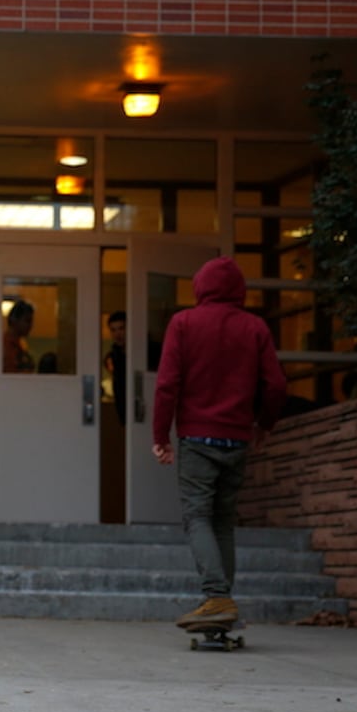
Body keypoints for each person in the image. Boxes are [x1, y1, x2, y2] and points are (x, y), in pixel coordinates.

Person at [151, 256, 287, 628]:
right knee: (223, 521)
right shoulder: (255, 327)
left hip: (197, 437)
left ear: (200, 287)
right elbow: (276, 384)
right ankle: (223, 601)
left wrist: (161, 435)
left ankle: (216, 598)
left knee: (197, 516)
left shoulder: (184, 323)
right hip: (237, 439)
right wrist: (264, 425)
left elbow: (166, 385)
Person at [104, 310, 127, 423]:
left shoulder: (141, 354)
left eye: (121, 328)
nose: (118, 334)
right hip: (122, 410)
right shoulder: (111, 357)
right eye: (113, 330)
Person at [2, 300, 34, 373]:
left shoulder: (21, 345)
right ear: (14, 320)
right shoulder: (4, 345)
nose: (30, 326)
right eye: (27, 321)